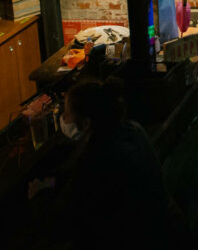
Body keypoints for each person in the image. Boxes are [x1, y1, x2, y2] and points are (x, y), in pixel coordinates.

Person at [47, 78, 173, 249]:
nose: (63, 118)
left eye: (67, 114)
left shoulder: (97, 159)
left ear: (86, 122)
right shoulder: (132, 130)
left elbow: (65, 223)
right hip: (161, 231)